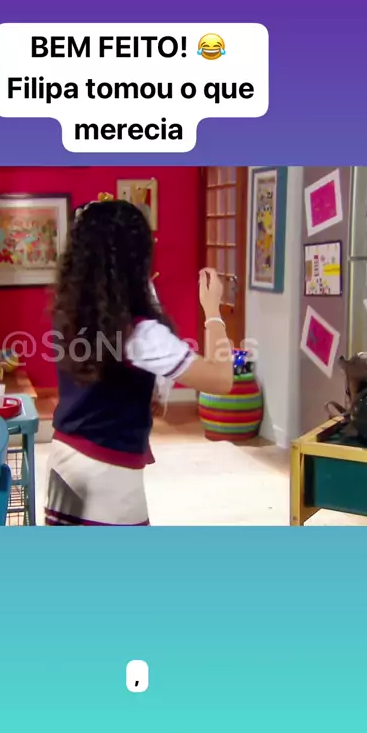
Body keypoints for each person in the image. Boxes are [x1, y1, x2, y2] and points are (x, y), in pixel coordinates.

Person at [45, 200, 233, 526]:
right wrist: (213, 310)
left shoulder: (72, 315)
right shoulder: (139, 334)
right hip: (108, 475)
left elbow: (103, 380)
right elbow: (221, 379)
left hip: (64, 459)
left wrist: (143, 393)